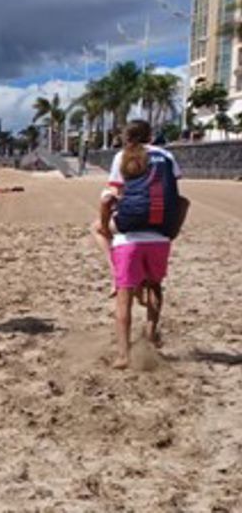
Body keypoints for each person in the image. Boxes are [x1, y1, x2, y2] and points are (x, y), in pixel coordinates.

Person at [93, 120, 187, 368]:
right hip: (161, 232)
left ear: (126, 138)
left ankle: (123, 355)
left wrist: (106, 222)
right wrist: (171, 231)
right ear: (151, 136)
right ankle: (150, 332)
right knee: (155, 286)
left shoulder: (122, 156)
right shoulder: (166, 155)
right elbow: (176, 196)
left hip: (130, 234)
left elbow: (112, 194)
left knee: (123, 296)